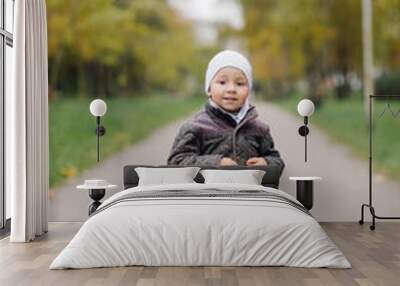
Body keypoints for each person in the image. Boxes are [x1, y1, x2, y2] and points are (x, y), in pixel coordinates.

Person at [167, 50, 284, 171]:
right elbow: (176, 161)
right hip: (208, 190)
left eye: (239, 83)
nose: (231, 89)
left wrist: (266, 162)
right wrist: (216, 163)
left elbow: (277, 161)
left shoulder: (259, 129)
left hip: (248, 189)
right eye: (222, 82)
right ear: (209, 88)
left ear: (248, 90)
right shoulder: (195, 127)